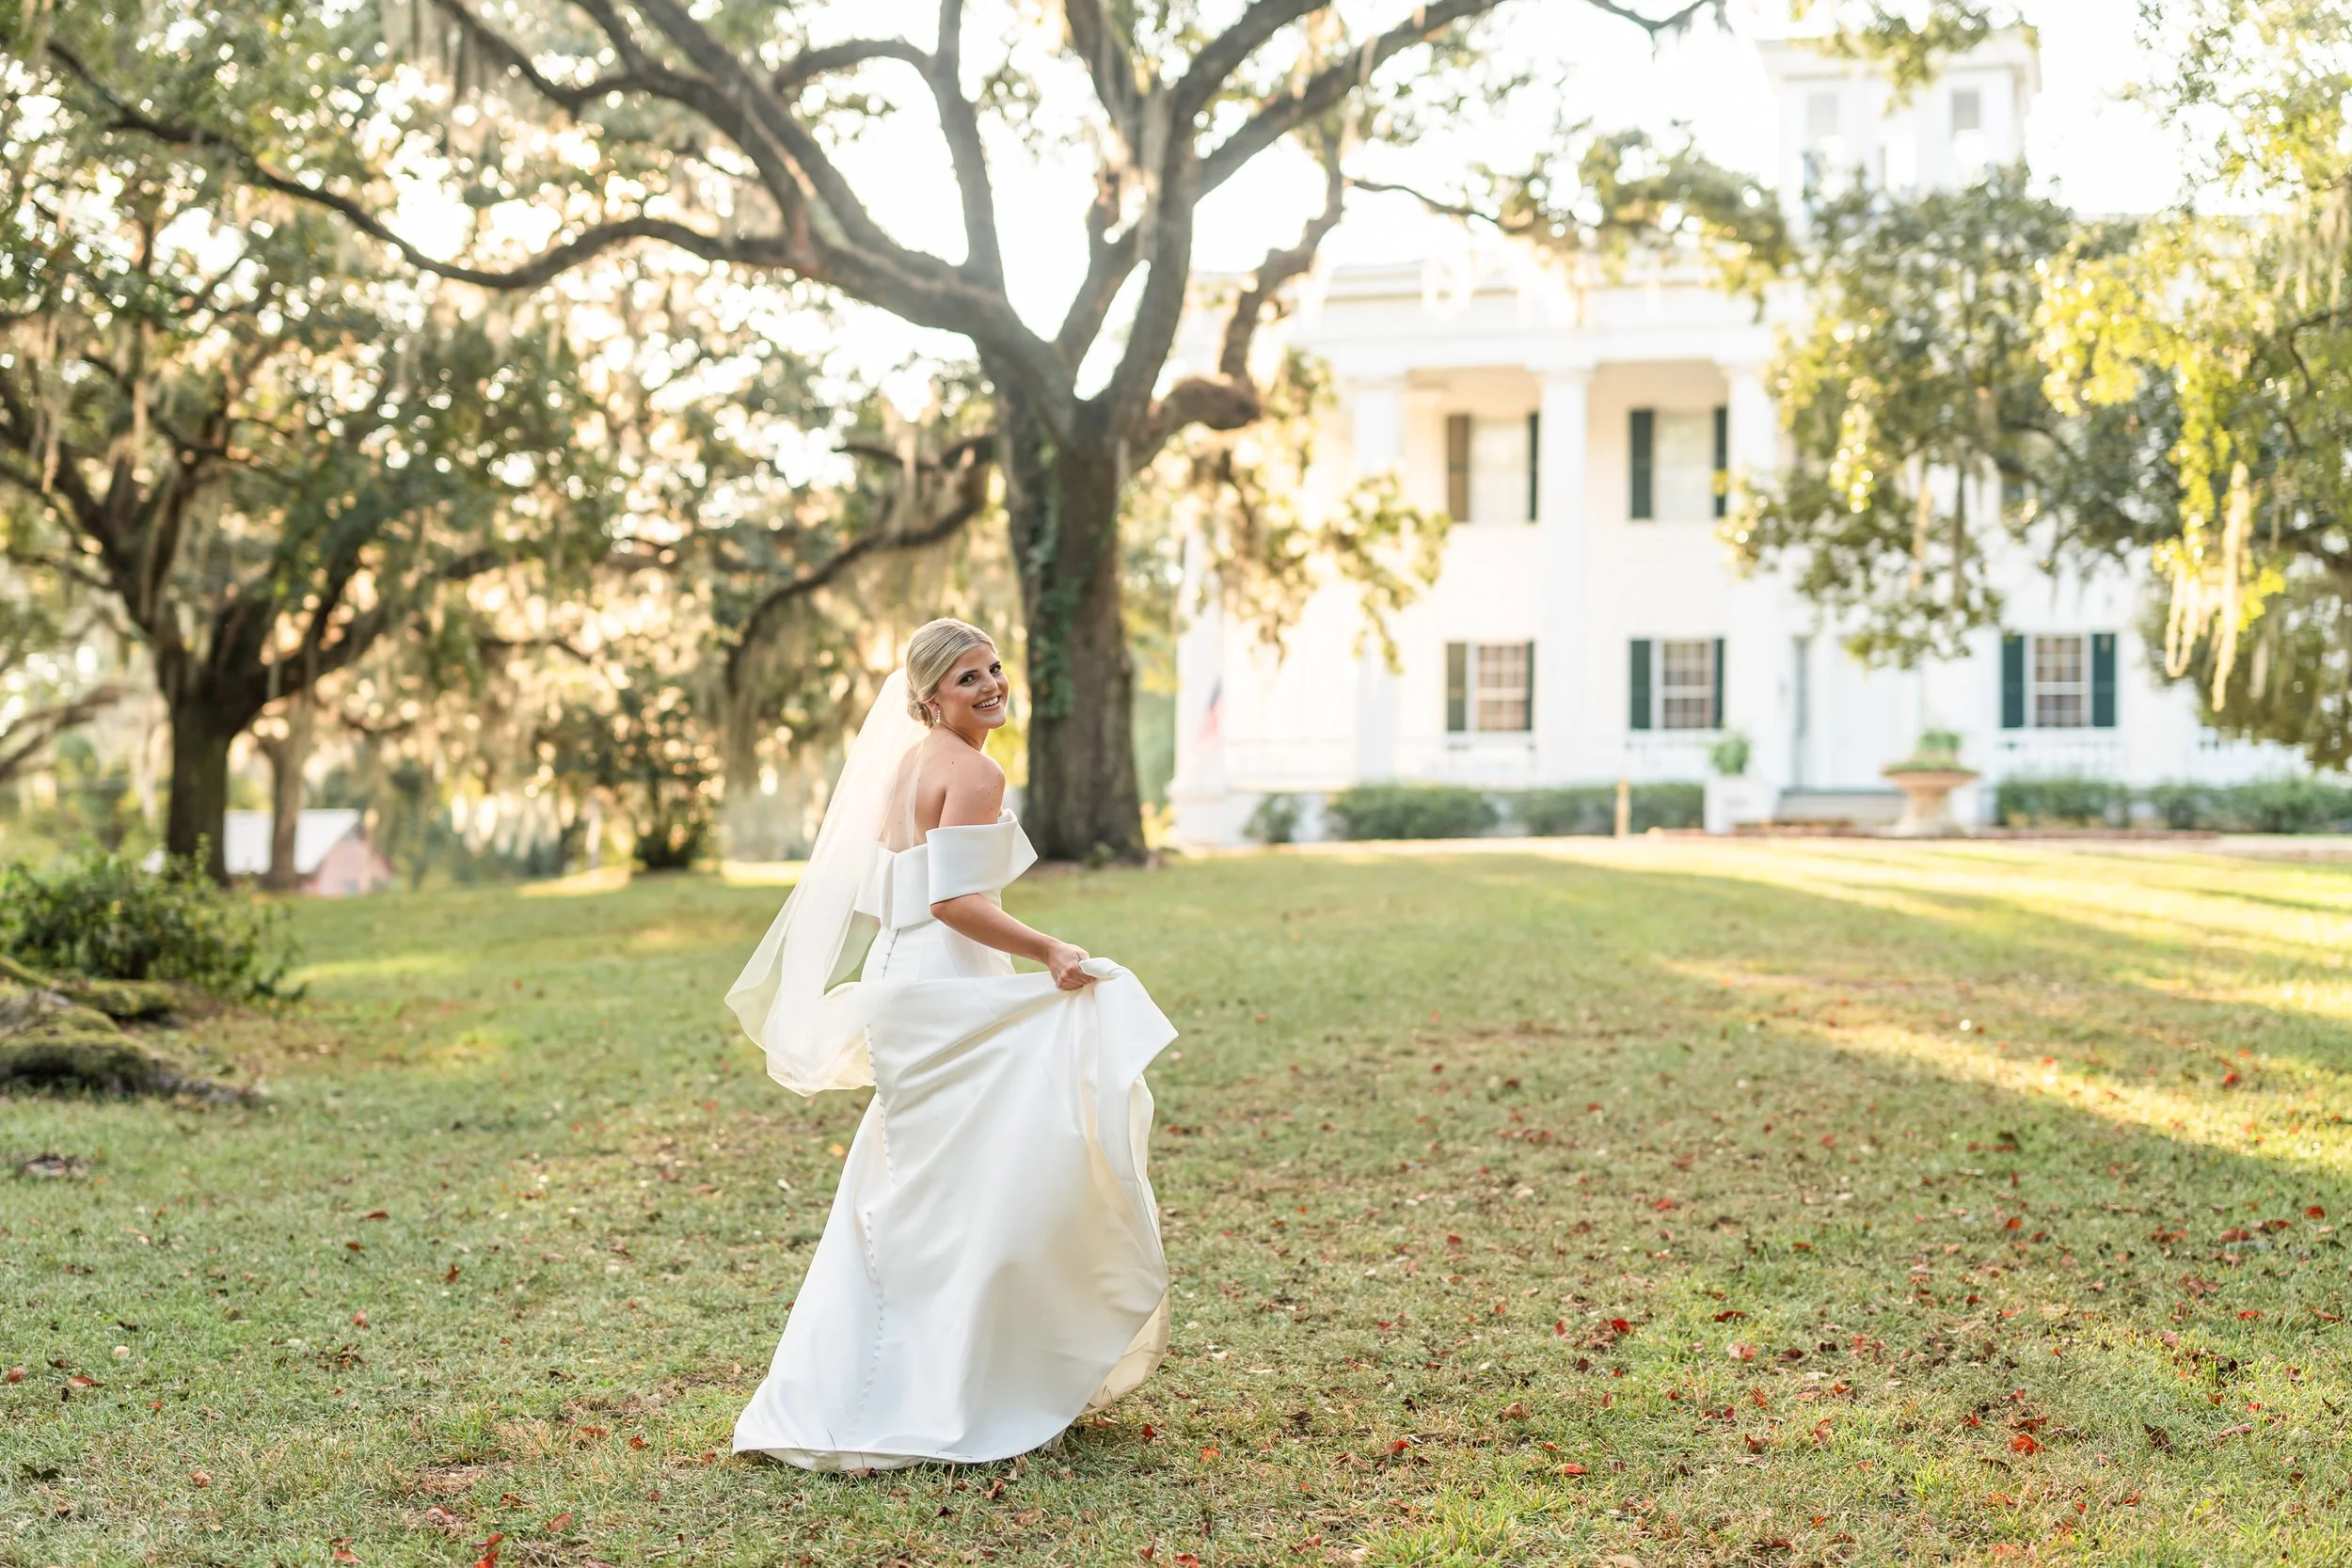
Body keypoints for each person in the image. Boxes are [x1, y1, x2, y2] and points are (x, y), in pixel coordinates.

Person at [726, 618, 1176, 1470]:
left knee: (920, 1184)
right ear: (931, 695)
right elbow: (951, 900)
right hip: (946, 978)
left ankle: (884, 1379)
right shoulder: (974, 769)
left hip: (899, 976)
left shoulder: (909, 763)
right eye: (969, 677)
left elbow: (889, 893)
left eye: (995, 668)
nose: (993, 686)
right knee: (982, 1182)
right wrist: (1049, 949)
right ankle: (956, 1385)